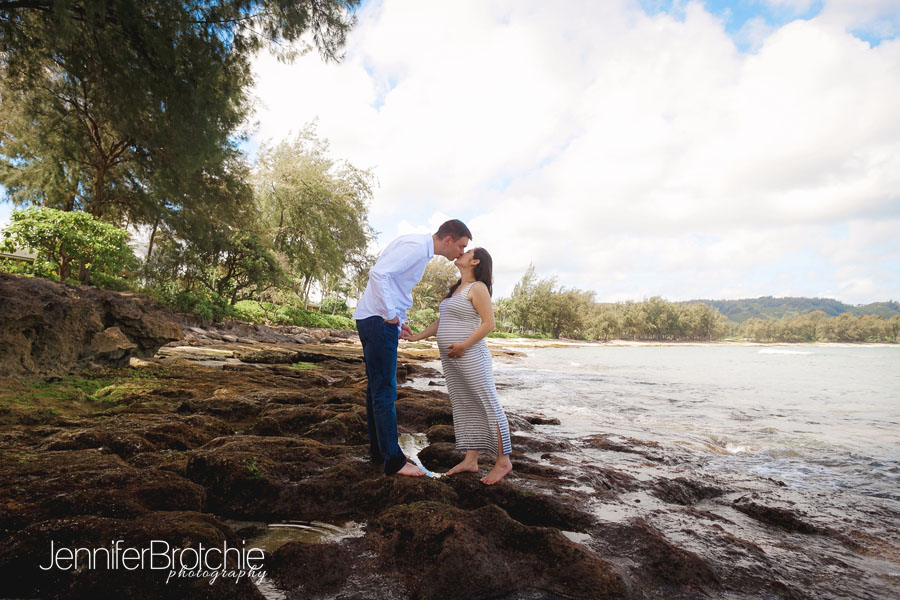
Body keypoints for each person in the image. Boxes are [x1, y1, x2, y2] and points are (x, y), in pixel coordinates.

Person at [353, 219, 472, 477]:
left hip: (373, 318)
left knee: (376, 388)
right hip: (377, 319)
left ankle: (382, 451)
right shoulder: (417, 247)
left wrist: (400, 322)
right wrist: (390, 314)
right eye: (461, 246)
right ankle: (394, 462)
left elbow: (393, 284)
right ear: (448, 239)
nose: (461, 252)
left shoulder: (416, 245)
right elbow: (379, 274)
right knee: (385, 390)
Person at [405, 247, 513, 485]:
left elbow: (489, 324)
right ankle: (471, 460)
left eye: (467, 252)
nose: (460, 253)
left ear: (475, 261)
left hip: (472, 356)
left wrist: (464, 345)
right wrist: (416, 338)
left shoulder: (478, 288)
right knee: (464, 404)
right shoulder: (457, 289)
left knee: (488, 403)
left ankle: (503, 460)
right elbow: (442, 321)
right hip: (452, 358)